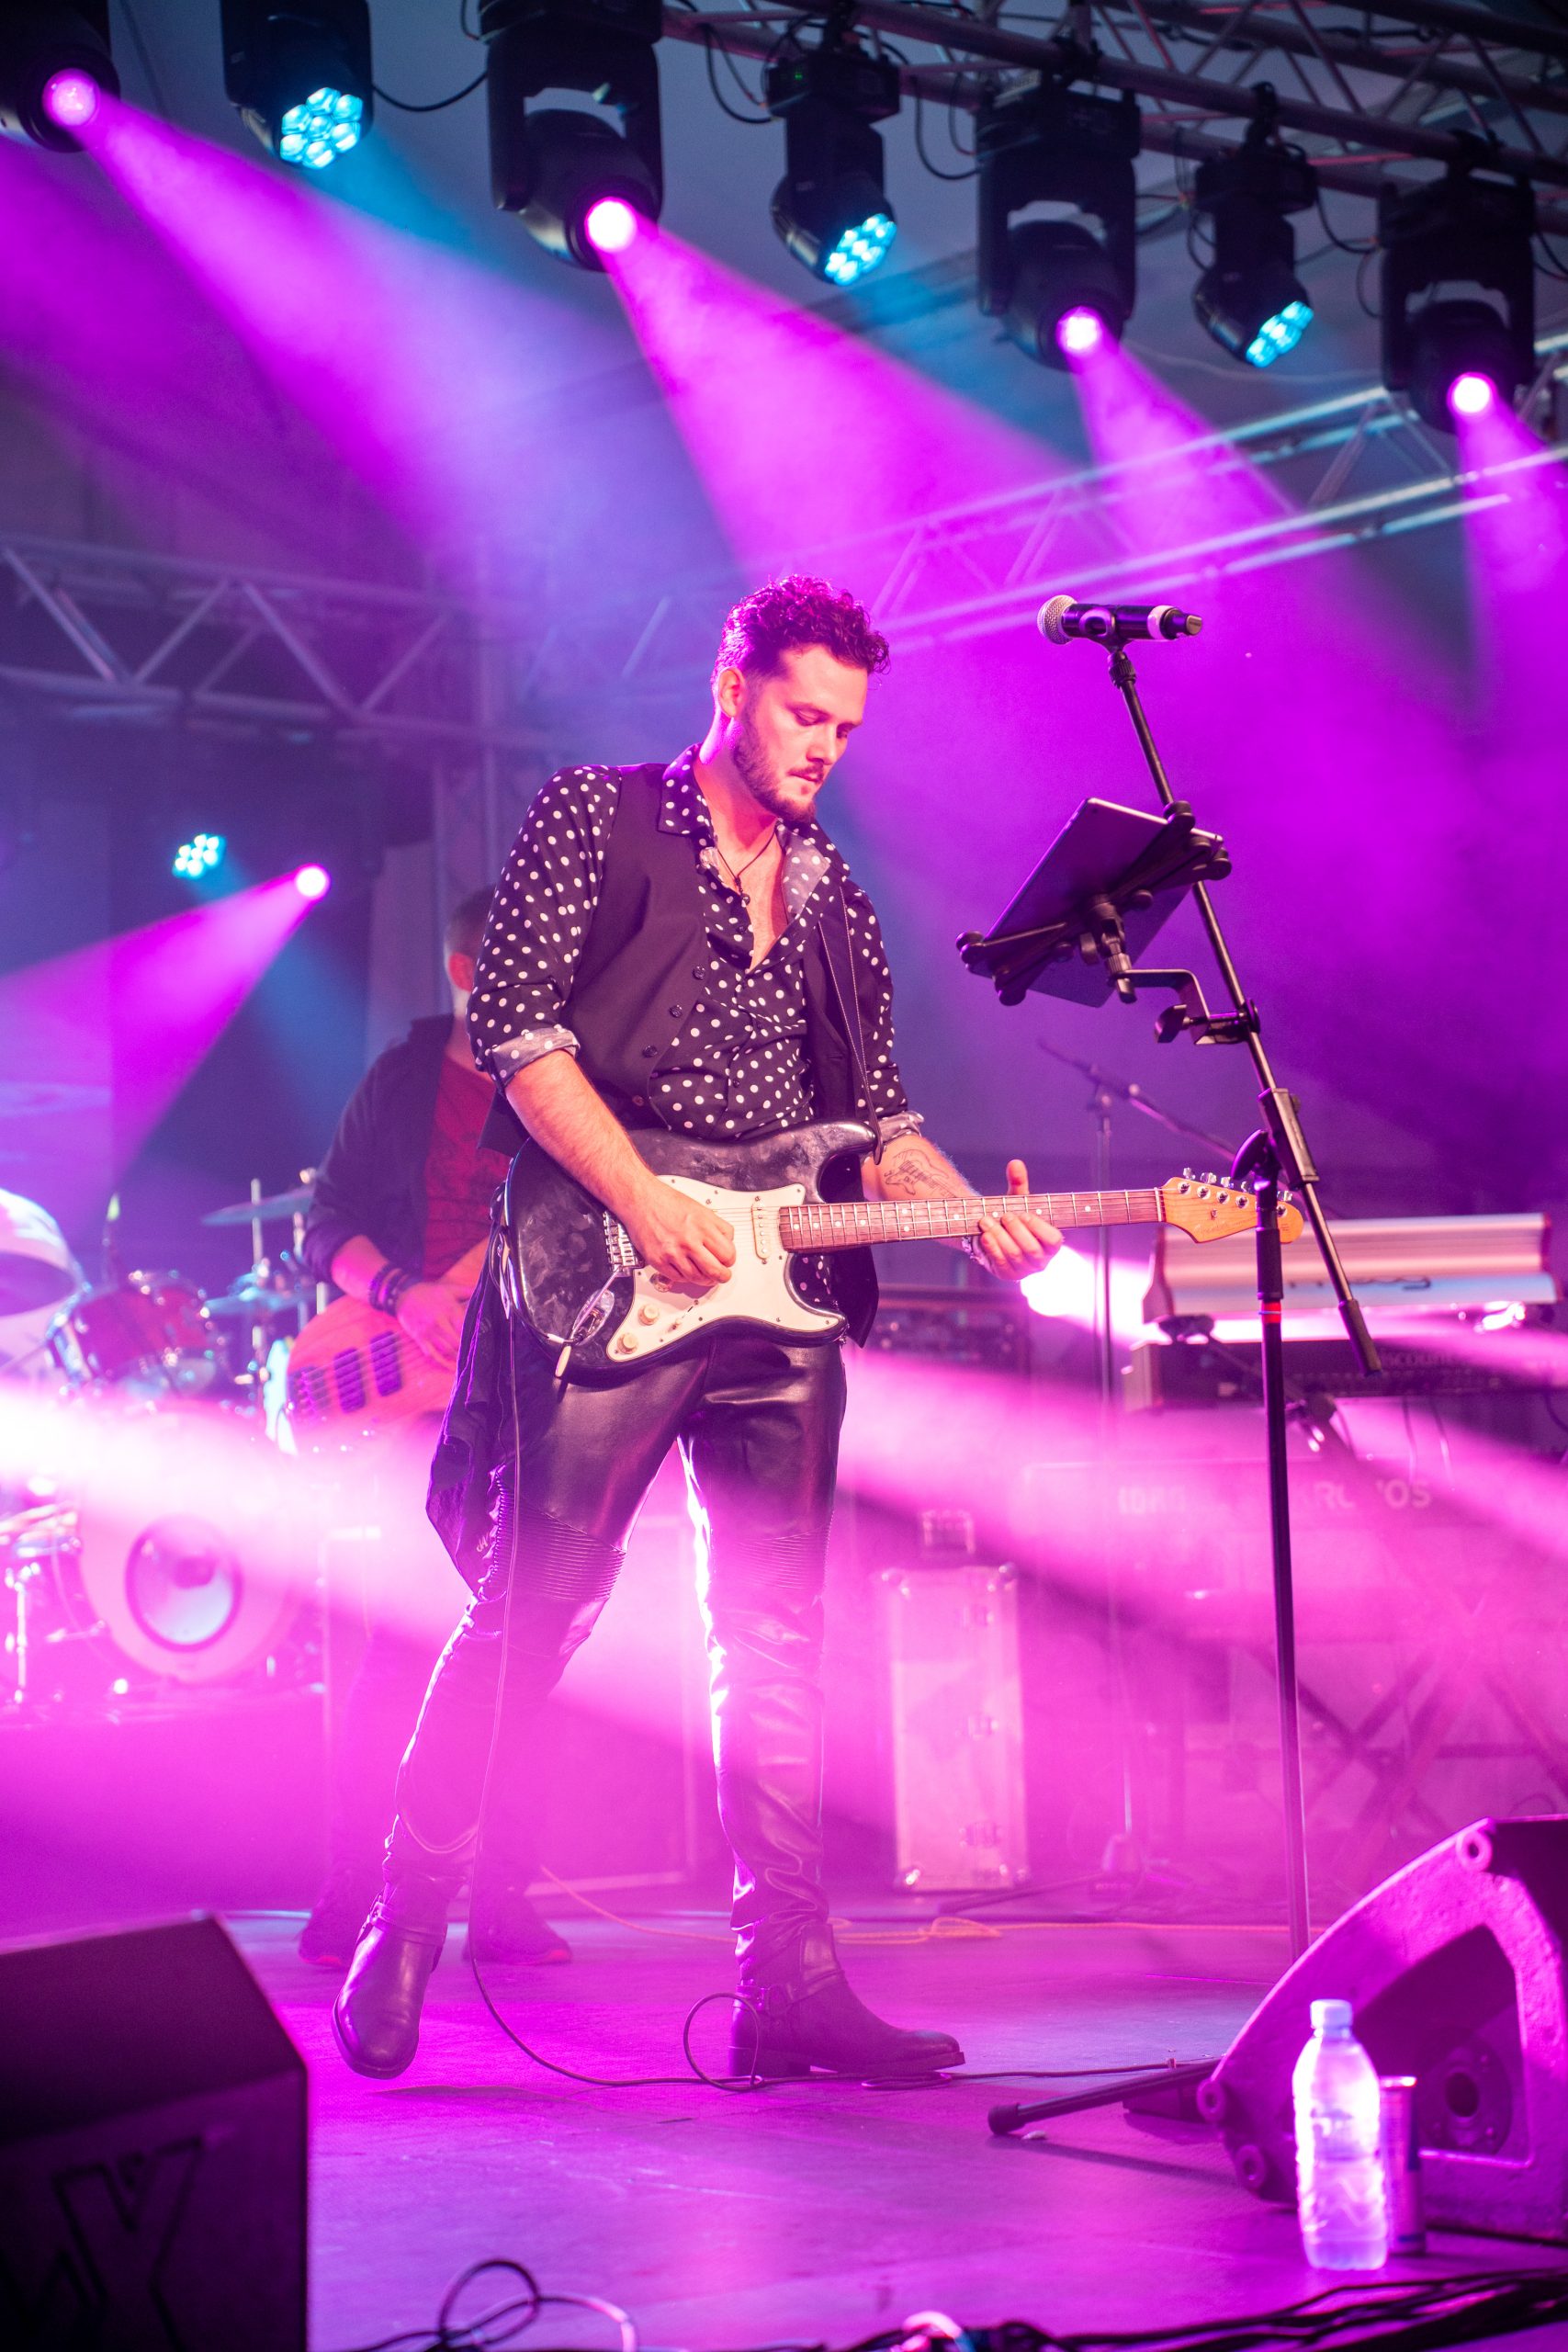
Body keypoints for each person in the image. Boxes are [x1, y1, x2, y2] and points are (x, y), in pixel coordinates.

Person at [333, 576, 1059, 2083]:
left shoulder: (834, 892)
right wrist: (640, 1196)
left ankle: (787, 1982)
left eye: (845, 729)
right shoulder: (595, 818)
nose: (823, 748)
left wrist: (964, 1212)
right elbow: (520, 1035)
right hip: (607, 1261)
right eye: (803, 714)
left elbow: (879, 1125)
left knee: (778, 1640)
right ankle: (406, 1912)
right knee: (537, 1605)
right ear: (732, 688)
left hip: (777, 1301)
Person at [297, 888, 568, 1971]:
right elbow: (324, 1225)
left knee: (531, 1648)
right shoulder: (403, 1080)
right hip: (421, 1407)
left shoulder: (565, 1089)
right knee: (401, 1649)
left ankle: (505, 1899)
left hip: (535, 1392)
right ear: (466, 972)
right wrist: (405, 1293)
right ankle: (353, 1890)